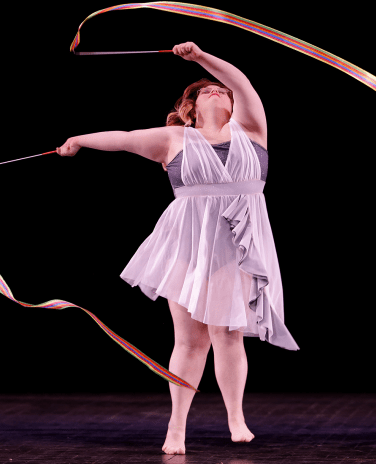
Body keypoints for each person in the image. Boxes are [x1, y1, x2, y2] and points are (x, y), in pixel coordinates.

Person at [56, 42, 298, 455]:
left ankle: (236, 418)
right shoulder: (174, 138)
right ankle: (176, 427)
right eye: (205, 90)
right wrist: (78, 139)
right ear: (190, 107)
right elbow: (124, 138)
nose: (217, 91)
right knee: (189, 340)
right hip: (188, 244)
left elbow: (242, 81)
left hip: (237, 246)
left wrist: (201, 57)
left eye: (221, 90)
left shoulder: (253, 131)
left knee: (227, 334)